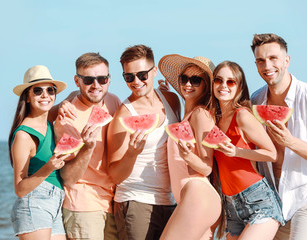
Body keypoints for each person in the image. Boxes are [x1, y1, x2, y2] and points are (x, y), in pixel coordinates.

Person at [250, 33, 307, 240]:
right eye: (261, 60)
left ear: (286, 60)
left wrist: (290, 142)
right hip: (271, 197)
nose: (267, 66)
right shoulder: (256, 100)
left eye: (273, 58)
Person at [107, 45, 181, 240]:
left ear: (154, 71)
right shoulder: (123, 116)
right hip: (135, 201)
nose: (136, 82)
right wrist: (132, 153)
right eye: (129, 77)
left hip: (169, 199)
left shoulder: (172, 100)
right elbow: (114, 175)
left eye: (142, 75)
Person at [210, 61, 285, 240]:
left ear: (239, 87)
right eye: (218, 80)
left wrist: (237, 152)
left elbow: (271, 153)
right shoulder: (212, 120)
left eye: (230, 82)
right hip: (230, 206)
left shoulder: (242, 115)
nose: (223, 86)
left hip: (258, 200)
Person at [53, 52, 121, 240]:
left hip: (113, 201)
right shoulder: (66, 119)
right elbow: (68, 177)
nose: (96, 85)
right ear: (77, 81)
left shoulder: (113, 101)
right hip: (83, 205)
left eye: (102, 79)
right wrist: (87, 147)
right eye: (89, 80)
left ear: (109, 79)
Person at [157, 55, 222, 240]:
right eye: (184, 79)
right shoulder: (187, 116)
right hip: (190, 198)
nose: (188, 84)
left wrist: (188, 157)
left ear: (206, 85)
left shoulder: (201, 114)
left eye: (195, 80)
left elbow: (207, 166)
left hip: (197, 195)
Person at [8, 65, 69, 239]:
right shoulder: (24, 135)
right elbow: (20, 189)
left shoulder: (49, 122)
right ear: (27, 97)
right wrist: (48, 167)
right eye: (37, 91)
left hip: (56, 202)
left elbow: (72, 99)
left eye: (50, 90)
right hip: (34, 203)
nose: (45, 96)